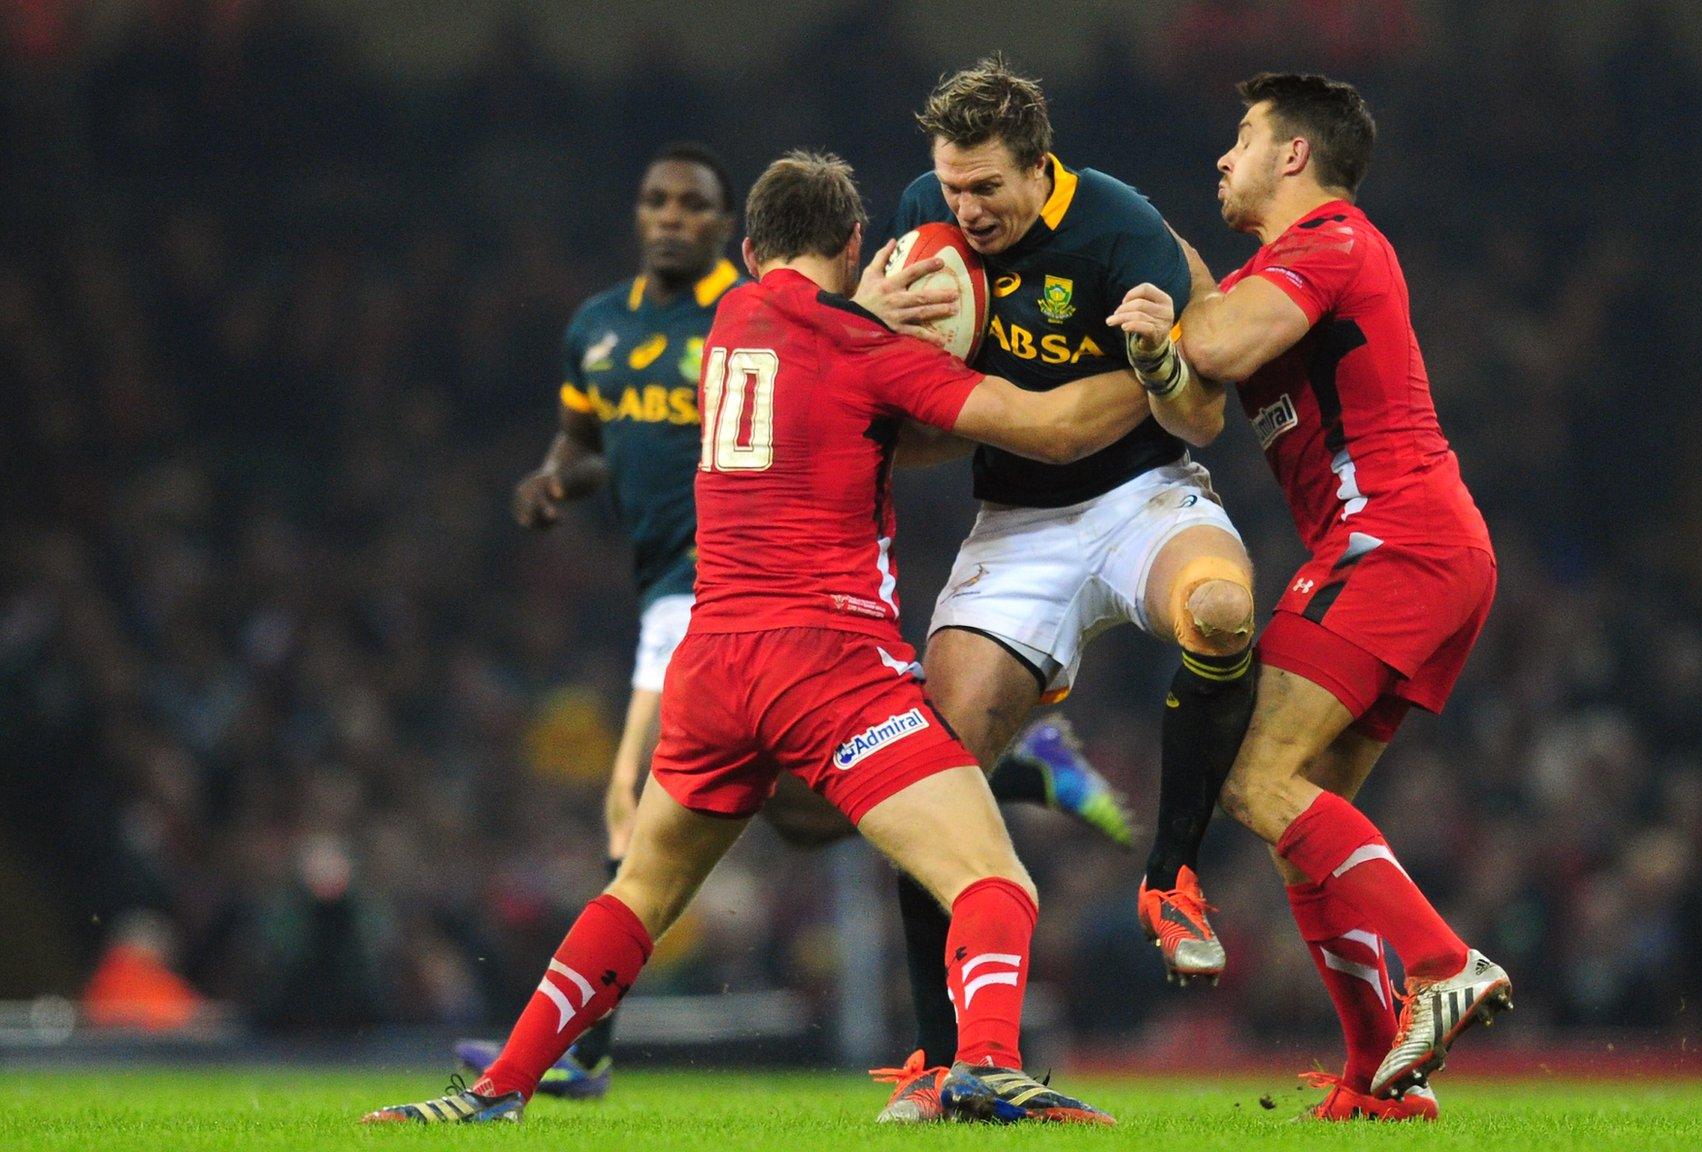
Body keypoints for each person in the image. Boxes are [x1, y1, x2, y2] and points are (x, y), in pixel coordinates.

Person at [363, 150, 1150, 1126]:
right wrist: (1162, 367)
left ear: (744, 249)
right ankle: (985, 1065)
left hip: (713, 661)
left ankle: (496, 1090)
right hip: (824, 662)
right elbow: (1055, 429)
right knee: (993, 880)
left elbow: (864, 420)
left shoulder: (730, 317)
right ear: (854, 243)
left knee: (640, 893)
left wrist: (885, 330)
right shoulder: (860, 346)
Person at [1107, 72, 1513, 1122]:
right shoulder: (1280, 269)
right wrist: (1160, 348)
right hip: (1423, 546)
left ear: (1293, 154)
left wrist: (1168, 316)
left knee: (1252, 778)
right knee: (1302, 806)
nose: (1220, 158)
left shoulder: (1330, 241)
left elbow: (1218, 348)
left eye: (1240, 137)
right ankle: (1374, 1076)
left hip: (1386, 543)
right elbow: (1194, 399)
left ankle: (1438, 964)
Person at [866, 57, 1261, 1122]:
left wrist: (1158, 360)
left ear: (1040, 168)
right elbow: (896, 420)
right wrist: (871, 324)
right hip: (1018, 523)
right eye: (952, 187)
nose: (965, 210)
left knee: (1223, 614)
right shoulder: (922, 227)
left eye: (986, 187)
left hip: (1142, 496)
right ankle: (934, 1059)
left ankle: (1167, 877)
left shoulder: (1121, 230)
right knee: (929, 782)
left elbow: (1203, 422)